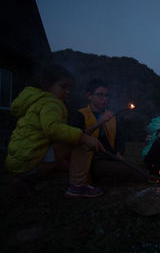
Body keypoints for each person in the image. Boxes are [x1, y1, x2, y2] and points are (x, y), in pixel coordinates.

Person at [5, 64, 105, 198]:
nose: (68, 91)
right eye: (63, 87)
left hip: (18, 161)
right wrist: (84, 137)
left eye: (70, 88)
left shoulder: (35, 101)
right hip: (30, 160)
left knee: (67, 167)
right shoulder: (51, 103)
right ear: (47, 85)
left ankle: (23, 180)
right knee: (79, 141)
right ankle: (77, 186)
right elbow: (53, 129)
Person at [69, 79, 144, 185]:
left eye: (107, 95)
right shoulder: (80, 115)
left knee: (137, 172)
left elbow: (119, 139)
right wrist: (99, 124)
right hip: (89, 160)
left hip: (109, 157)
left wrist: (118, 153)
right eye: (100, 95)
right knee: (124, 171)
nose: (104, 98)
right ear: (89, 96)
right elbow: (76, 137)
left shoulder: (111, 116)